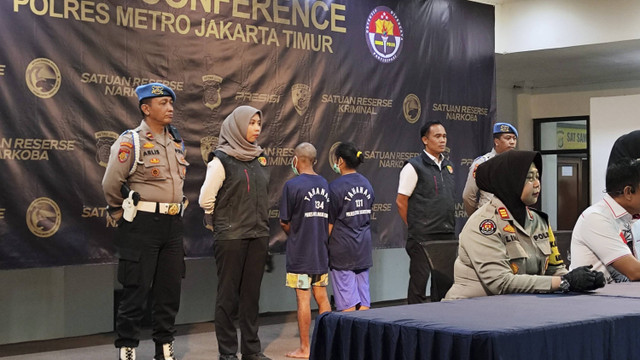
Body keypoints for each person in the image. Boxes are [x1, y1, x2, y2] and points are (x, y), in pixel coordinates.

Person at [444, 150, 605, 300]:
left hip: (520, 307)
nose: (537, 184)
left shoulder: (539, 221)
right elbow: (500, 282)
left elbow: (554, 269)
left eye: (537, 177)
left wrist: (583, 279)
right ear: (510, 182)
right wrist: (563, 282)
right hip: (470, 309)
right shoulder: (484, 223)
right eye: (529, 178)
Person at [102, 83, 188, 360]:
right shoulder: (131, 141)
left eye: (171, 103)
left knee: (169, 293)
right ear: (146, 108)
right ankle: (127, 348)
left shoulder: (175, 140)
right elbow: (111, 183)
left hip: (173, 226)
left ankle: (164, 348)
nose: (170, 108)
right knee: (136, 291)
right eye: (162, 103)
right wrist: (120, 214)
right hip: (142, 225)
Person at [199, 106, 271, 360]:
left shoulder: (260, 157)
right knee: (228, 297)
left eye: (258, 123)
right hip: (231, 237)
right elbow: (206, 198)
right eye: (251, 123)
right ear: (237, 126)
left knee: (251, 297)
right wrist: (221, 220)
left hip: (258, 234)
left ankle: (252, 350)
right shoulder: (221, 159)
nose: (256, 128)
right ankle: (228, 353)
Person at [279, 142, 331, 359]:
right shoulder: (326, 184)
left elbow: (284, 221)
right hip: (320, 252)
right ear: (314, 160)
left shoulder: (292, 186)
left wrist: (298, 232)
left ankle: (305, 348)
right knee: (322, 297)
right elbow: (330, 221)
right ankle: (329, 346)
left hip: (300, 254)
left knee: (303, 299)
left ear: (296, 159)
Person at [396, 121, 455, 304]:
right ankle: (415, 324)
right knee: (419, 284)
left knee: (445, 286)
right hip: (422, 235)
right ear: (425, 140)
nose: (442, 140)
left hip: (446, 233)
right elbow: (401, 201)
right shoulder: (413, 166)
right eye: (437, 136)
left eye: (444, 136)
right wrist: (415, 225)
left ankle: (442, 323)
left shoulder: (448, 166)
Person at [570, 158, 640, 283]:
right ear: (628, 192)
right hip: (596, 300)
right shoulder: (596, 218)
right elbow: (634, 271)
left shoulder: (631, 217)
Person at [328, 142, 375, 311]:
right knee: (363, 301)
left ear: (340, 161)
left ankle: (350, 337)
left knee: (347, 303)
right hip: (363, 247)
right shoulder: (367, 184)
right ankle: (363, 337)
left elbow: (330, 224)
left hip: (342, 250)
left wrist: (322, 246)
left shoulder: (334, 188)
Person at [463, 122, 518, 216]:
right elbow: (468, 196)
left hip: (512, 218)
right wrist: (476, 217)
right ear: (496, 141)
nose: (512, 142)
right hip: (489, 217)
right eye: (508, 138)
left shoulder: (518, 163)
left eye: (514, 138)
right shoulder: (482, 163)